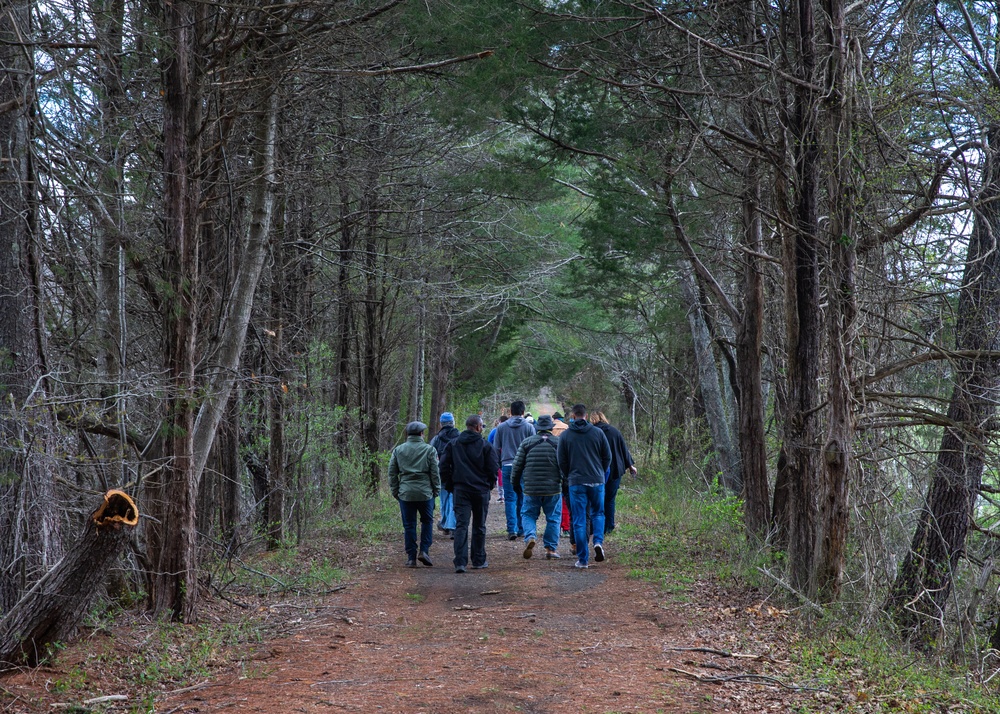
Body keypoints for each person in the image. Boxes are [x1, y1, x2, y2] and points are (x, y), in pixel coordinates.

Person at [439, 414, 499, 573]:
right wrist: (489, 484)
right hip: (480, 491)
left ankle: (460, 562)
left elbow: (443, 467)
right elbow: (493, 468)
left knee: (461, 526)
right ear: (478, 427)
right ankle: (478, 560)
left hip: (461, 490)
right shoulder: (485, 446)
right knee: (479, 525)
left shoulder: (453, 444)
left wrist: (451, 485)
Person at [557, 404, 611, 569]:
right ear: (585, 416)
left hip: (576, 482)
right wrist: (599, 472)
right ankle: (598, 542)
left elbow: (561, 461)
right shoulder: (598, 433)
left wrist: (569, 475)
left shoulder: (566, 436)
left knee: (580, 519)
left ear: (573, 416)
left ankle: (583, 559)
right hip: (596, 480)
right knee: (598, 514)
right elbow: (607, 457)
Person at [387, 421, 440, 568]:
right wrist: (436, 490)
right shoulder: (430, 450)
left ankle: (411, 557)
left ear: (408, 434)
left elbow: (392, 473)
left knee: (409, 525)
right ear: (422, 434)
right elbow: (435, 472)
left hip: (406, 493)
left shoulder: (399, 450)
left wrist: (396, 490)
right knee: (427, 521)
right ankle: (424, 550)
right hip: (425, 493)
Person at [511, 415, 564, 560]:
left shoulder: (527, 443)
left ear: (537, 428)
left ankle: (530, 536)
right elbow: (565, 467)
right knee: (553, 517)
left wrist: (515, 484)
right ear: (551, 428)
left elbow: (517, 467)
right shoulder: (558, 443)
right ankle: (550, 549)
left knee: (528, 514)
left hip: (531, 488)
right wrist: (564, 484)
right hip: (553, 488)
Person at [589, 411, 637, 534]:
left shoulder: (591, 432)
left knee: (595, 499)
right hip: (615, 469)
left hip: (596, 470)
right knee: (610, 499)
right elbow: (624, 449)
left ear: (592, 419)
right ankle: (609, 527)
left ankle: (594, 527)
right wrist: (631, 466)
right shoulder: (614, 431)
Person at [493, 400, 536, 540]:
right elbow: (533, 448)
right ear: (523, 412)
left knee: (510, 498)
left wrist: (500, 463)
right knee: (523, 497)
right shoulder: (529, 428)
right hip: (524, 466)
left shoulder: (501, 427)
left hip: (507, 465)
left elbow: (496, 448)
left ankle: (512, 529)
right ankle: (522, 528)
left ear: (510, 412)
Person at [430, 412, 460, 537]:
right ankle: (452, 526)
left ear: (441, 424)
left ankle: (445, 524)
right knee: (453, 500)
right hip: (457, 473)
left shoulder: (436, 439)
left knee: (444, 499)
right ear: (453, 423)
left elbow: (431, 456)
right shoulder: (459, 437)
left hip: (441, 472)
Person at [552, 412, 571, 536]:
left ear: (553, 419)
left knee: (554, 499)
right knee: (565, 499)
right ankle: (566, 526)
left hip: (552, 466)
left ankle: (555, 526)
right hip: (566, 466)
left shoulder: (550, 428)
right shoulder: (567, 428)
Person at [488, 415, 509, 503]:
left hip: (498, 456)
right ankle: (505, 494)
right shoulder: (510, 430)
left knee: (500, 475)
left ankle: (502, 495)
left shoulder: (495, 431)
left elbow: (489, 443)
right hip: (508, 456)